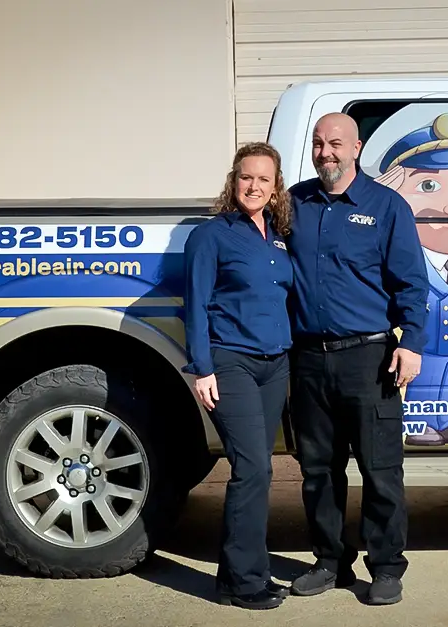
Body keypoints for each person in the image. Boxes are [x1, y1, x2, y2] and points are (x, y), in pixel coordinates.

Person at [285, 112, 429, 605]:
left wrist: (410, 342)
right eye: (320, 143)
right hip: (307, 359)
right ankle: (330, 562)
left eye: (337, 144)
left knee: (380, 468)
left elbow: (411, 282)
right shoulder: (293, 204)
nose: (327, 152)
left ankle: (386, 567)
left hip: (369, 357)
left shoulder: (386, 206)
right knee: (317, 471)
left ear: (358, 147)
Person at [182, 141, 295, 611]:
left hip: (276, 365)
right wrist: (202, 368)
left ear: (275, 188)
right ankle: (247, 581)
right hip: (232, 362)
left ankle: (236, 576)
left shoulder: (279, 236)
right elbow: (195, 304)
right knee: (253, 469)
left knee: (257, 470)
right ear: (234, 181)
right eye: (246, 177)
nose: (254, 186)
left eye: (263, 179)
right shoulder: (211, 236)